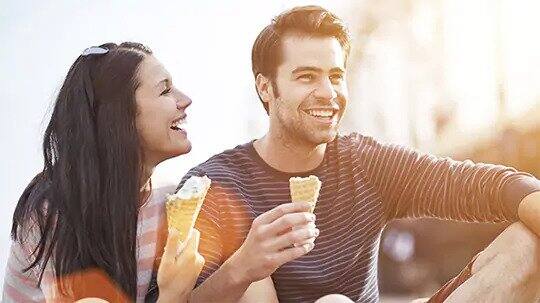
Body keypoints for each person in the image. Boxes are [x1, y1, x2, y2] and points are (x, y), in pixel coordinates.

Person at [179, 6, 540, 302]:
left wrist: (530, 196)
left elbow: (479, 185)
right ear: (265, 87)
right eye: (306, 77)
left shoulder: (364, 162)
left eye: (335, 76)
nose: (328, 93)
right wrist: (243, 266)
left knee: (527, 244)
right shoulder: (215, 184)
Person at [3, 42, 204, 302]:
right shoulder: (53, 211)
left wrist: (243, 267)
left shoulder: (168, 199)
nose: (185, 100)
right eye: (165, 91)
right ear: (121, 116)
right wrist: (173, 296)